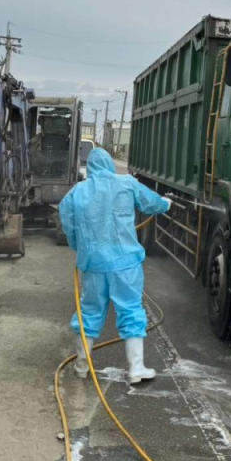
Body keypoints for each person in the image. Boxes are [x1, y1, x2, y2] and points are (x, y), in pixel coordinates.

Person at [58, 147, 171, 383]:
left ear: (89, 168)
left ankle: (81, 366)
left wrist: (79, 245)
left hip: (93, 264)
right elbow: (152, 203)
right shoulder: (127, 184)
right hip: (125, 264)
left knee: (89, 313)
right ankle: (136, 368)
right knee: (130, 311)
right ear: (110, 164)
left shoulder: (77, 193)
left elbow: (68, 224)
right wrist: (166, 203)